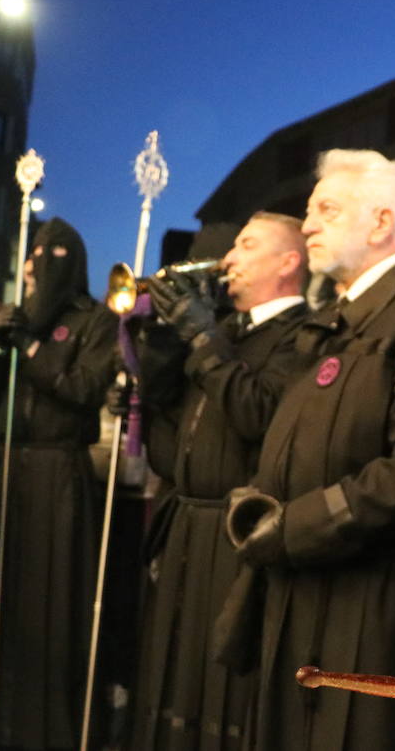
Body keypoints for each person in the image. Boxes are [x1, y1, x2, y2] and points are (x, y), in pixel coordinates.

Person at [224, 150, 395, 751]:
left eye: (326, 211)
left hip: (365, 596)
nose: (308, 225)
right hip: (297, 585)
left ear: (382, 222)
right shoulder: (333, 320)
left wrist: (297, 525)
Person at [131, 213, 310, 750]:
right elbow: (173, 439)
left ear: (287, 263)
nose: (229, 258)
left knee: (215, 685)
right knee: (171, 665)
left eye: (246, 245)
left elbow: (256, 414)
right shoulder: (228, 331)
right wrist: (166, 332)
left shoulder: (300, 335)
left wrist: (202, 334)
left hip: (234, 533)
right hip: (186, 519)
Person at [0, 217, 117, 750]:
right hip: (5, 467)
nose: (36, 266)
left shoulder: (93, 321)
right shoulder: (15, 316)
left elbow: (83, 388)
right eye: (35, 254)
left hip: (54, 472)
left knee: (47, 597)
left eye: (50, 255)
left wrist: (30, 349)